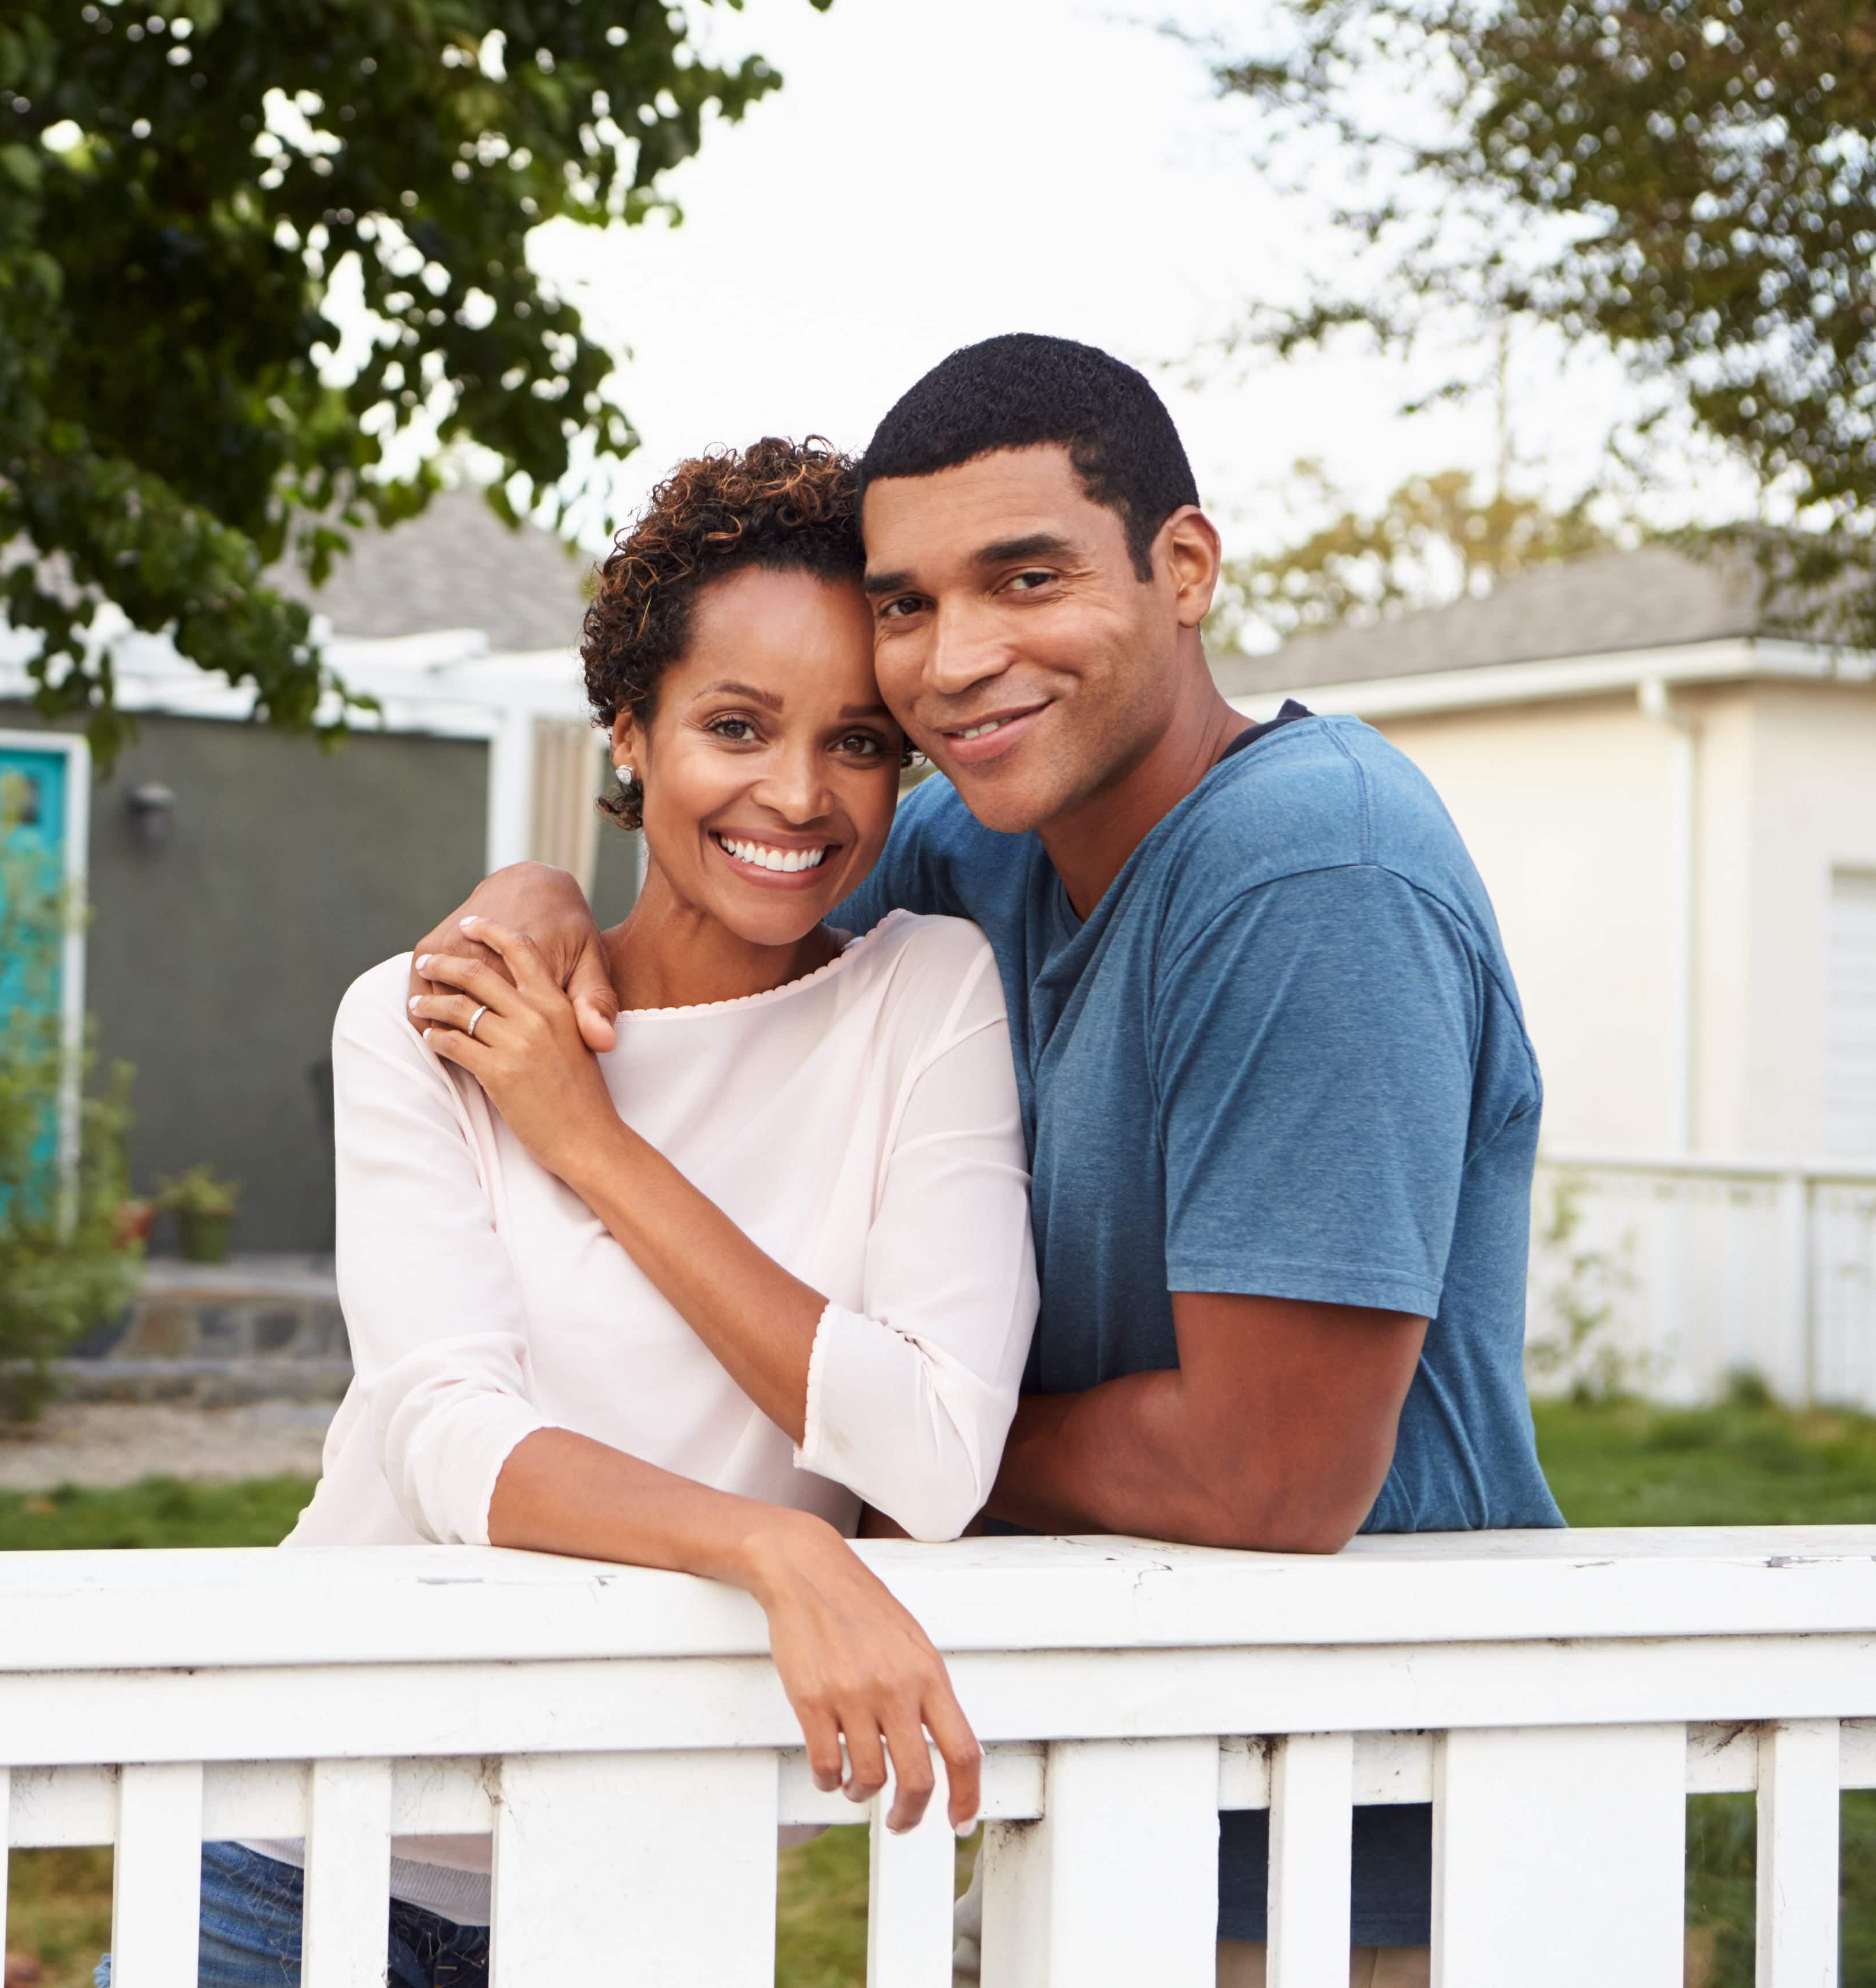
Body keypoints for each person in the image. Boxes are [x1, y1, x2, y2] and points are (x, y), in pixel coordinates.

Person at [420, 336, 1562, 1983]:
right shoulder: (979, 851)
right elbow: (732, 877)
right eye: (909, 604)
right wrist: (534, 903)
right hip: (1095, 1750)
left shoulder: (1316, 871)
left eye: (1027, 579)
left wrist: (920, 1437)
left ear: (1184, 569)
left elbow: (1273, 1478)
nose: (957, 661)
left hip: (1359, 1810)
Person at [102, 439, 1040, 1988]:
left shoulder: (923, 1000)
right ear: (631, 733)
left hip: (647, 1874)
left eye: (859, 742)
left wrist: (589, 1143)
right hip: (296, 1851)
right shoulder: (434, 1020)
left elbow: (935, 1457)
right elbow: (448, 1438)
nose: (797, 796)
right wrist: (773, 1549)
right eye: (734, 726)